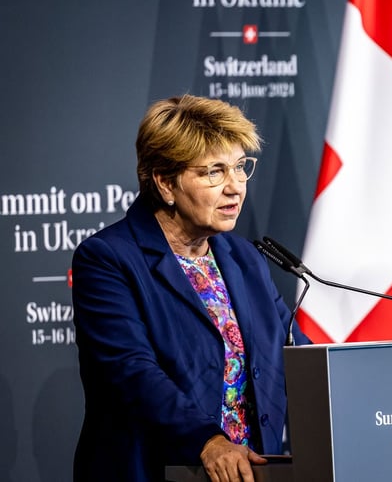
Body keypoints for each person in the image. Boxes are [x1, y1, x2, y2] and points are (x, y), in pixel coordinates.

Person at [72, 94, 308, 482]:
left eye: (239, 167)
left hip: (248, 471)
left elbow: (295, 351)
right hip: (157, 470)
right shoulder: (108, 259)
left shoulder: (243, 257)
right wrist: (208, 441)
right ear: (166, 183)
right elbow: (131, 372)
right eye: (214, 172)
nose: (235, 187)